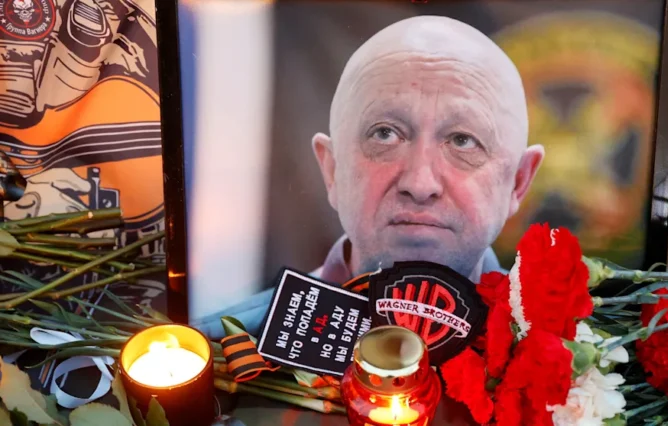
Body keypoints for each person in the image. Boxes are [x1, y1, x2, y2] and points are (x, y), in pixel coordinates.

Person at [192, 15, 544, 339]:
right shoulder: (217, 357)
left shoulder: (573, 362)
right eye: (385, 134)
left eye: (463, 141)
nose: (420, 185)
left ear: (518, 182)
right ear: (332, 169)